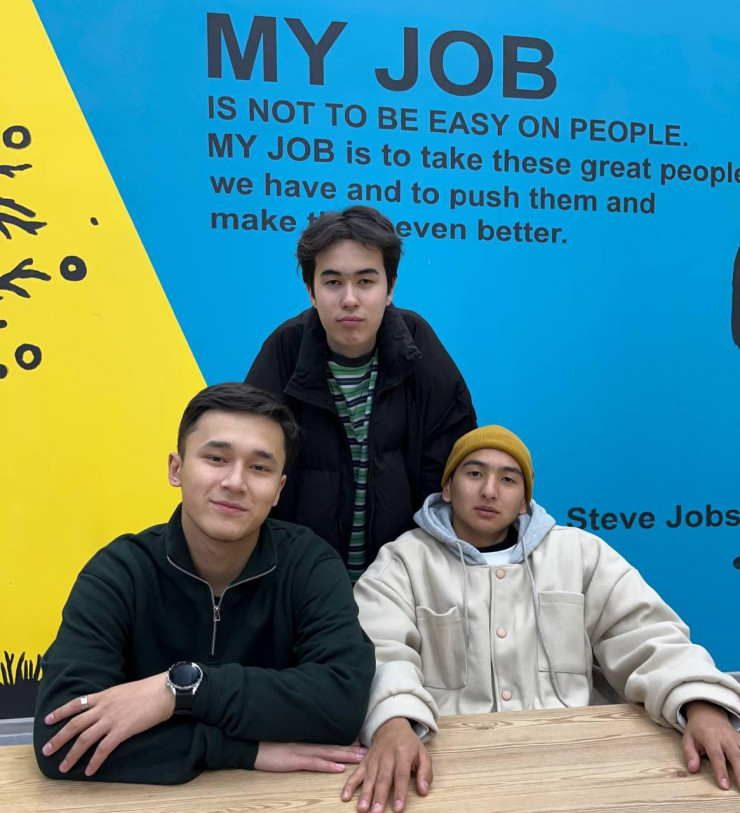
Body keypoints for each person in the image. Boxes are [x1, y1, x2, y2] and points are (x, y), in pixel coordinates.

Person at [345, 425, 740, 811]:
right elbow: (379, 649)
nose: (489, 490)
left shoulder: (580, 553)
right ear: (447, 488)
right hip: (451, 764)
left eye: (508, 479)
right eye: (475, 474)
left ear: (524, 501)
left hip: (578, 759)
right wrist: (392, 722)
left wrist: (702, 706)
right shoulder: (404, 560)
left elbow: (646, 633)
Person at [34, 383, 375, 784]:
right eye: (216, 458)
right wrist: (242, 751)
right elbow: (61, 740)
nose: (235, 482)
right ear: (176, 469)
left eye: (260, 468)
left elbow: (341, 703)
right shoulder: (120, 572)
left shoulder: (310, 564)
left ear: (279, 490)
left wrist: (180, 690)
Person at [245, 205, 476, 580]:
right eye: (333, 283)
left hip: (404, 584)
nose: (349, 299)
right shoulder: (284, 351)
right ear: (311, 291)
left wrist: (416, 577)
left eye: (366, 281)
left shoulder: (421, 351)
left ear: (390, 288)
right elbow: (251, 471)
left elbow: (450, 475)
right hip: (297, 583)